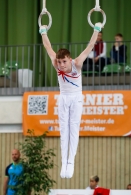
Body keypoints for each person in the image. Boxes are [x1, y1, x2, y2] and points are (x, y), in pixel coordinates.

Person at [39, 22, 103, 178]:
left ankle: (71, 162)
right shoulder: (56, 64)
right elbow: (48, 47)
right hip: (63, 98)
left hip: (76, 98)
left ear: (69, 59)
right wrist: (43, 32)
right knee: (63, 130)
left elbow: (89, 47)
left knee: (73, 129)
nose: (61, 65)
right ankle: (64, 162)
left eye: (64, 62)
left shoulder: (77, 63)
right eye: (59, 62)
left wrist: (96, 30)